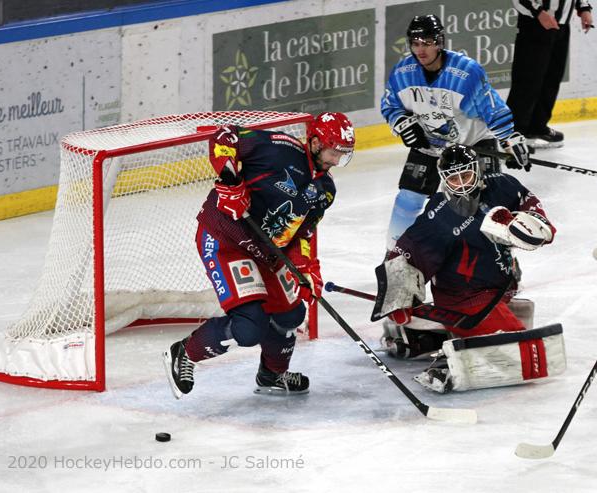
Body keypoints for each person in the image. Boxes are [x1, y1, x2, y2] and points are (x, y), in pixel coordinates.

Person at [164, 112, 356, 398]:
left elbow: (301, 234)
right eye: (333, 152)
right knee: (249, 328)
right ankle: (185, 352)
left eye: (343, 155)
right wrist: (229, 179)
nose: (336, 161)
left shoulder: (325, 191)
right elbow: (225, 135)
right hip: (225, 238)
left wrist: (307, 269)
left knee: (291, 314)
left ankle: (271, 375)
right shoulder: (278, 147)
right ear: (315, 142)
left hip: (267, 251)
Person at [371, 144, 561, 394]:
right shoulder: (439, 214)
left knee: (523, 321)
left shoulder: (502, 185)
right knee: (527, 355)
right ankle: (447, 362)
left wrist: (538, 226)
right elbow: (407, 253)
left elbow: (532, 208)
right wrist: (398, 297)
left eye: (466, 175)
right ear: (443, 179)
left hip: (501, 285)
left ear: (477, 171)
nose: (461, 184)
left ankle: (422, 338)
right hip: (464, 299)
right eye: (453, 178)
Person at [380, 14, 531, 251]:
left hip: (474, 143)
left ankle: (501, 259)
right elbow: (390, 106)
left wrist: (510, 138)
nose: (421, 49)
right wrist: (404, 123)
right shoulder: (402, 73)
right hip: (431, 145)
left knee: (488, 204)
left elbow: (491, 108)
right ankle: (394, 254)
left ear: (439, 42)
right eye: (416, 43)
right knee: (408, 198)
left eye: (427, 43)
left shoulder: (465, 73)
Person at [506, 0, 593, 149]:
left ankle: (537, 127)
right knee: (527, 80)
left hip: (561, 26)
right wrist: (538, 12)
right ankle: (513, 133)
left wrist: (583, 8)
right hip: (534, 23)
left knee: (551, 79)